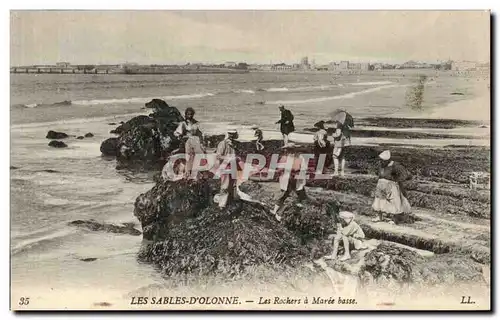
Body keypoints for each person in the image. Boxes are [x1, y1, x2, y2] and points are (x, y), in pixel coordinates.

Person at [372, 150, 412, 224]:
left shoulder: (395, 166)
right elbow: (378, 173)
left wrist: (396, 180)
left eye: (383, 161)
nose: (381, 162)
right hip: (381, 185)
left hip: (391, 186)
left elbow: (405, 175)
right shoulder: (381, 165)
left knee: (393, 202)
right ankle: (379, 216)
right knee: (379, 200)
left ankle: (393, 218)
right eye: (381, 160)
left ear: (388, 160)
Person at [272, 143, 308, 221]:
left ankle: (300, 213)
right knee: (283, 195)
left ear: (295, 150)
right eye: (289, 150)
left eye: (292, 150)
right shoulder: (284, 158)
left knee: (301, 195)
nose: (291, 152)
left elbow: (304, 168)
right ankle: (275, 212)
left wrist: (298, 172)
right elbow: (279, 168)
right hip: (287, 180)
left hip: (296, 179)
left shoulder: (300, 158)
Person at [174, 107, 205, 177]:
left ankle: (197, 172)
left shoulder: (196, 123)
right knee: (189, 157)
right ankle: (188, 173)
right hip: (187, 141)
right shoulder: (183, 123)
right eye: (188, 114)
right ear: (186, 115)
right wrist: (182, 136)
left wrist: (202, 143)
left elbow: (200, 134)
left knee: (200, 156)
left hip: (196, 141)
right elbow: (176, 133)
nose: (190, 116)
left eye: (191, 114)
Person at [214, 129, 240, 209]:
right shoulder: (223, 143)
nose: (232, 135)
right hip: (225, 166)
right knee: (225, 186)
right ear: (228, 134)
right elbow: (218, 156)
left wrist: (236, 158)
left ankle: (230, 202)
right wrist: (229, 158)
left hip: (233, 166)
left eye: (234, 134)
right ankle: (222, 205)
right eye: (231, 134)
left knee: (232, 185)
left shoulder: (234, 144)